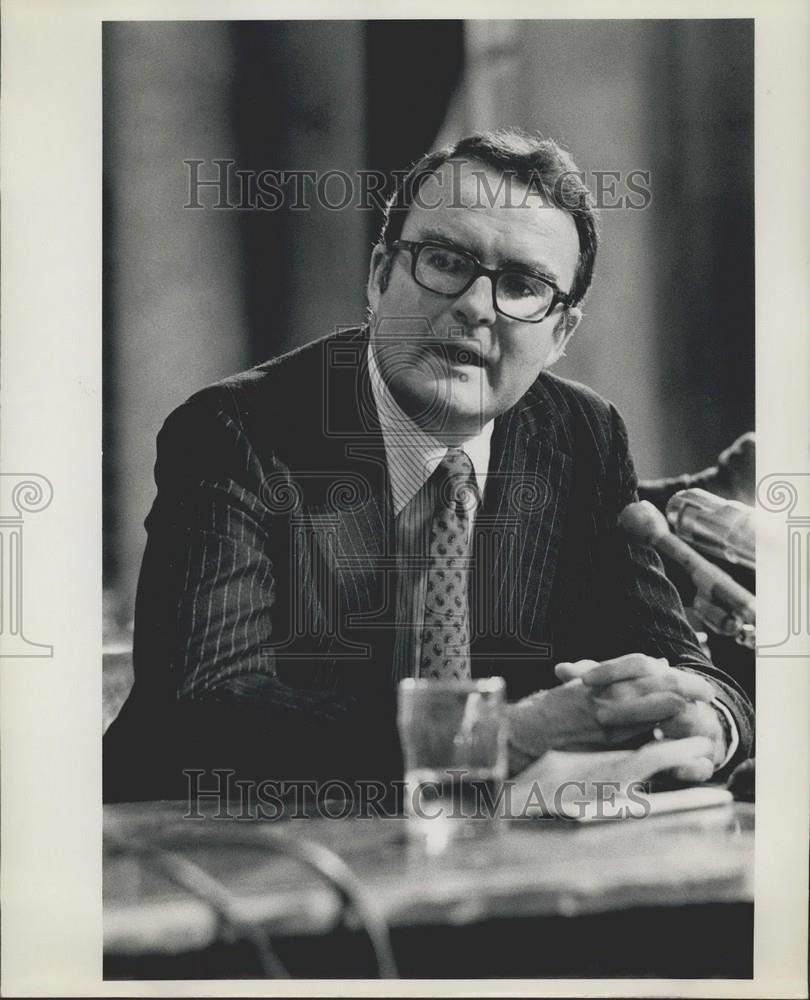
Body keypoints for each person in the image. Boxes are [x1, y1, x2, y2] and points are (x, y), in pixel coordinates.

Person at [103, 130, 753, 802]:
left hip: (495, 862)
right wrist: (494, 736)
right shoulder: (236, 430)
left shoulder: (584, 437)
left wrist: (705, 720)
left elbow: (680, 661)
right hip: (219, 856)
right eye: (445, 261)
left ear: (561, 334)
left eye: (523, 285)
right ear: (381, 275)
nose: (474, 306)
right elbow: (206, 705)